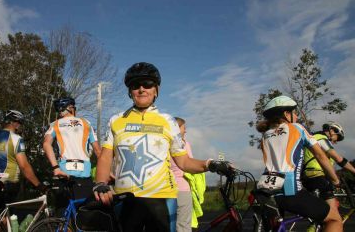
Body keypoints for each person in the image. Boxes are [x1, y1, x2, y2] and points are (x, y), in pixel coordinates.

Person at [94, 62, 230, 232]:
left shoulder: (168, 121)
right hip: (126, 199)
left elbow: (183, 161)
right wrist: (100, 182)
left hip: (162, 199)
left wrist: (210, 164)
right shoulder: (116, 120)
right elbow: (106, 156)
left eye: (148, 84)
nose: (142, 89)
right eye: (136, 85)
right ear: (130, 91)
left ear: (156, 89)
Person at [256, 95, 342, 232]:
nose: (296, 116)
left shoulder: (265, 135)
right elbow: (320, 155)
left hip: (265, 192)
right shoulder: (297, 128)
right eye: (294, 112)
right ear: (286, 114)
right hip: (290, 191)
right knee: (334, 219)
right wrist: (335, 179)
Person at [42, 97, 101, 200]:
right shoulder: (86, 123)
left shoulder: (55, 124)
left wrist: (55, 168)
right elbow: (97, 150)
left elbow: (46, 144)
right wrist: (107, 171)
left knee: (63, 212)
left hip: (64, 174)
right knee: (85, 211)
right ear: (72, 108)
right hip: (85, 175)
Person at [0, 110, 45, 213]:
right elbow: (24, 166)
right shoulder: (16, 138)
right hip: (7, 182)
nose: (20, 126)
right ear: (15, 123)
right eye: (20, 123)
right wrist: (39, 185)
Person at [302, 122, 355, 211]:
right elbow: (338, 159)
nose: (335, 142)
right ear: (332, 131)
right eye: (336, 139)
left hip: (310, 176)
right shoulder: (320, 138)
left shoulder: (313, 138)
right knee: (333, 213)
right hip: (317, 176)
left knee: (322, 210)